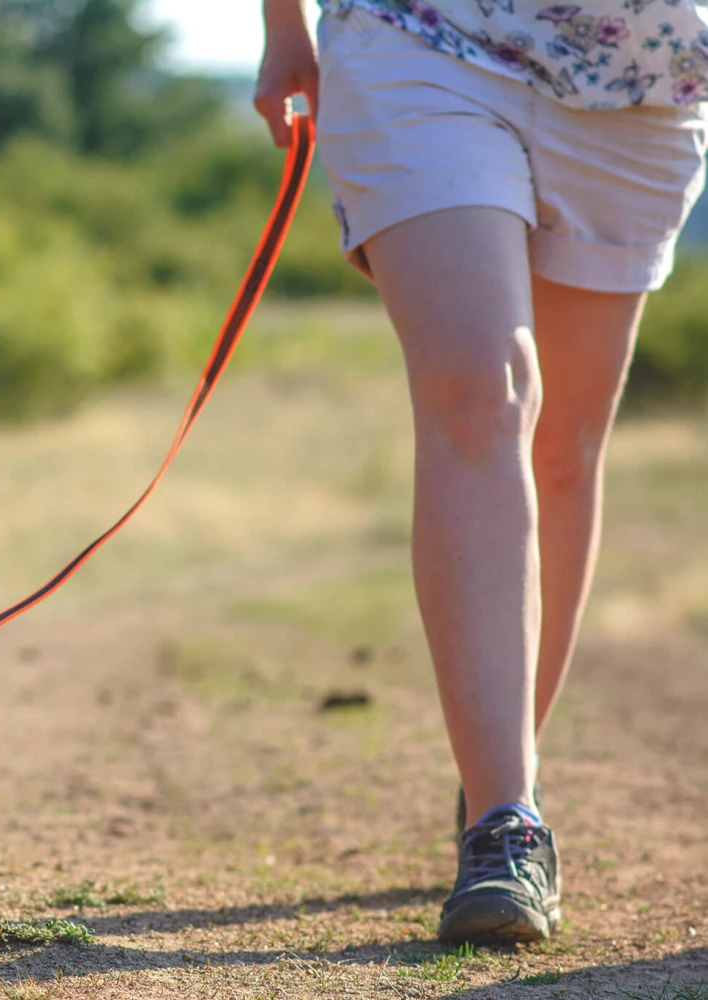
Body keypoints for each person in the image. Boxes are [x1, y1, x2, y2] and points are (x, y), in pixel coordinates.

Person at [255, 0, 708, 946]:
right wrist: (284, 28)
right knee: (483, 390)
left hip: (640, 77)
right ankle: (507, 824)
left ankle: (507, 763)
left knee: (564, 449)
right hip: (417, 38)